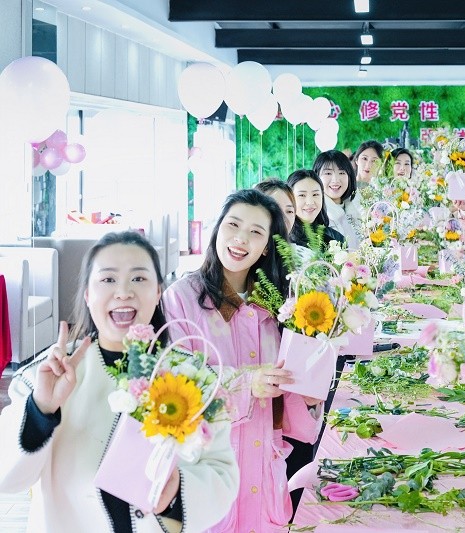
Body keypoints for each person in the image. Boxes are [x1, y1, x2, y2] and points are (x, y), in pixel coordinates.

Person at [0, 231, 238, 532]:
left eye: (138, 278)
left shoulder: (194, 378)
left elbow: (221, 474)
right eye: (108, 279)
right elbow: (7, 479)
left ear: (158, 292)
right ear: (88, 294)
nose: (124, 292)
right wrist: (41, 410)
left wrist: (176, 495)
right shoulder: (43, 378)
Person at [161, 191, 323, 532]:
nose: (240, 239)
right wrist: (248, 383)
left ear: (266, 247)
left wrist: (307, 398)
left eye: (255, 232)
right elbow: (176, 388)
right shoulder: (181, 298)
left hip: (263, 473)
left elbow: (285, 396)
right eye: (233, 225)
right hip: (209, 468)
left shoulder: (280, 304)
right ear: (217, 229)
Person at [312, 150, 363, 250]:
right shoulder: (315, 214)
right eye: (328, 173)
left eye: (341, 173)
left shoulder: (354, 209)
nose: (335, 180)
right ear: (317, 176)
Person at [286, 169, 346, 251]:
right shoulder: (283, 239)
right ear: (289, 198)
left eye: (315, 194)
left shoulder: (335, 237)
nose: (310, 202)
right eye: (302, 195)